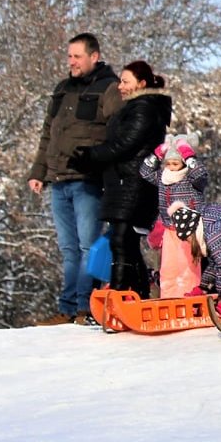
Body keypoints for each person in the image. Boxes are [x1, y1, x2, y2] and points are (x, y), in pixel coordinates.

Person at [29, 33, 121, 323]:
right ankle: (67, 309)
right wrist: (38, 172)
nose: (71, 61)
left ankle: (86, 307)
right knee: (68, 249)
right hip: (59, 181)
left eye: (77, 56)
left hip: (88, 181)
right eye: (69, 56)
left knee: (87, 247)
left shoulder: (109, 88)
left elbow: (117, 133)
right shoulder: (62, 89)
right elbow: (48, 133)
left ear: (94, 56)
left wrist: (109, 172)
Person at [68, 59, 171, 298]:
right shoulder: (135, 107)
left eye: (125, 82)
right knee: (125, 242)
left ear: (141, 83)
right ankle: (138, 293)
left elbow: (124, 144)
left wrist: (90, 156)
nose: (120, 86)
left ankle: (120, 292)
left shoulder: (144, 108)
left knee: (122, 240)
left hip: (134, 185)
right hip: (124, 183)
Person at [139, 135, 209, 298]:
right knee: (168, 270)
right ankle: (168, 299)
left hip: (190, 231)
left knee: (188, 270)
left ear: (183, 163)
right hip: (169, 231)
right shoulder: (163, 177)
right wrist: (158, 154)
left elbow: (200, 174)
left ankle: (190, 301)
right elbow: (145, 171)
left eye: (175, 163)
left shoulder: (191, 179)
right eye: (168, 163)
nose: (171, 167)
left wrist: (188, 154)